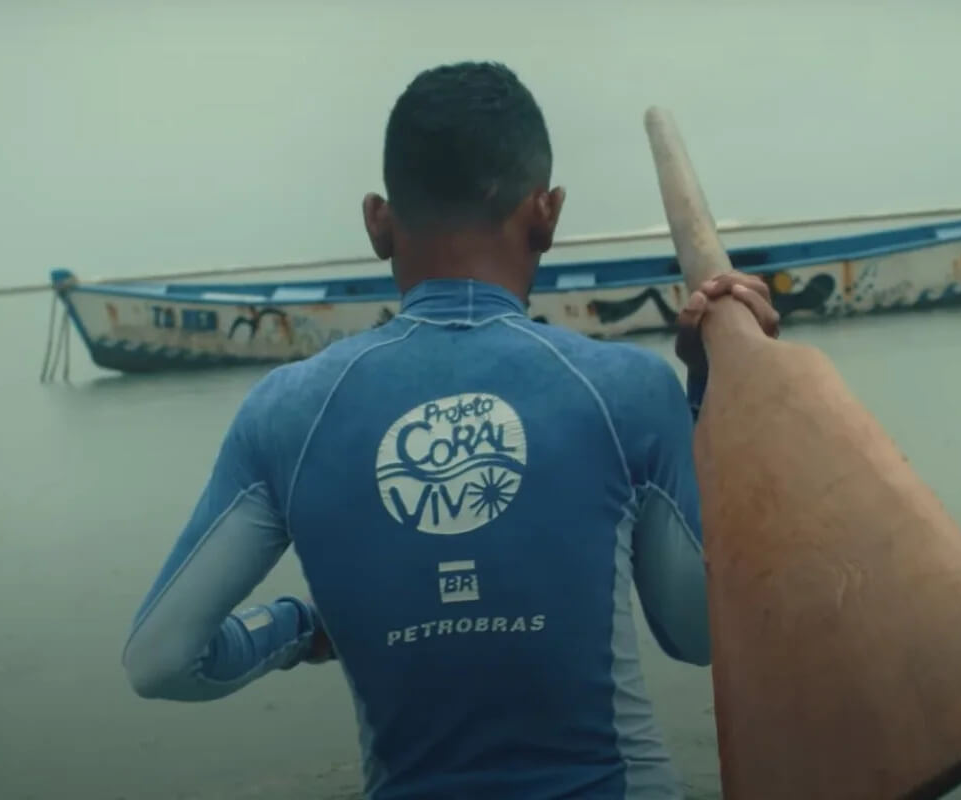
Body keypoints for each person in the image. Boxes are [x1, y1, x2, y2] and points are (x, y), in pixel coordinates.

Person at [120, 61, 780, 799]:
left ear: (377, 221)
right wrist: (712, 398)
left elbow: (161, 659)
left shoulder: (287, 410)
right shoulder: (626, 390)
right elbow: (697, 635)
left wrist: (301, 625)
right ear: (548, 214)